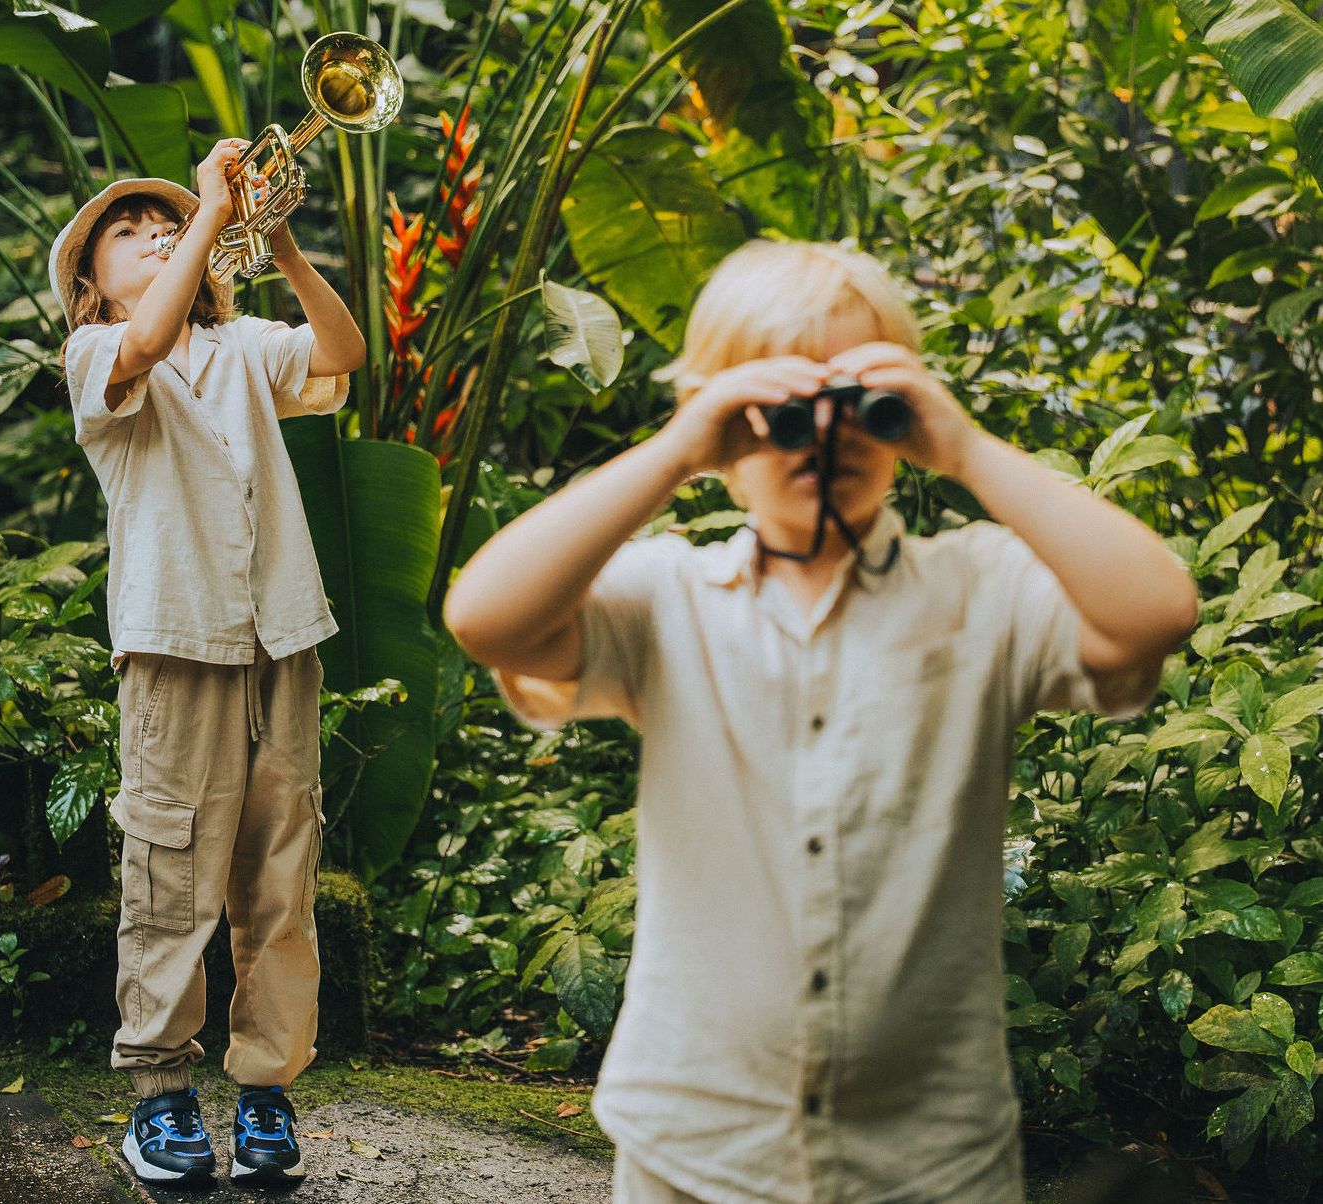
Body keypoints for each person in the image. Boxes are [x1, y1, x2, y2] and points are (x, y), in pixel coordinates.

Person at [444, 240, 1199, 1203]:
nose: (822, 438)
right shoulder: (670, 598)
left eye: (855, 406)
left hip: (928, 1154)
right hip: (694, 1140)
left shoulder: (980, 588)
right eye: (781, 412)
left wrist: (962, 447)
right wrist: (677, 447)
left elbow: (1157, 610)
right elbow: (485, 618)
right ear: (724, 425)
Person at [52, 139, 365, 1187]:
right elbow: (147, 336)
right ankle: (163, 1096)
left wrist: (272, 237)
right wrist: (208, 214)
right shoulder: (98, 355)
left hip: (283, 631)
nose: (151, 240)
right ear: (88, 283)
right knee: (171, 870)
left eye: (165, 227)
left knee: (281, 872)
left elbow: (345, 351)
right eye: (128, 236)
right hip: (175, 638)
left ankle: (267, 1093)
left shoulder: (243, 348)